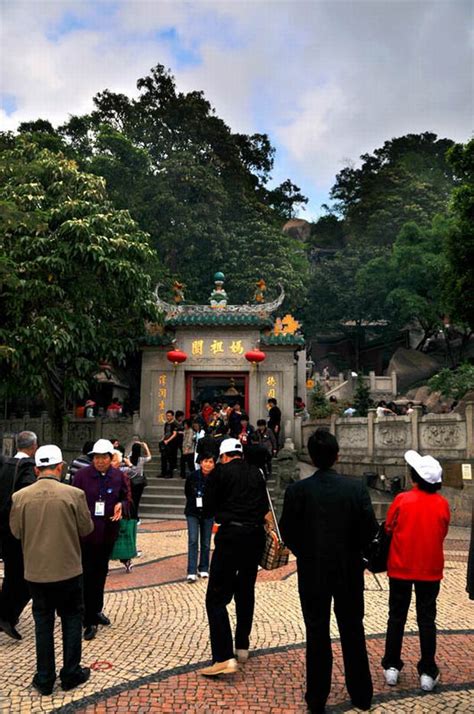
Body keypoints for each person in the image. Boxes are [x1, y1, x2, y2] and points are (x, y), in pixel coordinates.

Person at [279, 428, 378, 713]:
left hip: (312, 571)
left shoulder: (298, 491)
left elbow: (288, 532)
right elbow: (369, 530)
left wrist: (306, 553)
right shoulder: (356, 488)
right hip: (348, 569)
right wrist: (356, 553)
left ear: (310, 456)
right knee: (352, 630)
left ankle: (317, 698)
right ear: (337, 456)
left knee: (317, 632)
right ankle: (362, 695)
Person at [9, 444, 93, 695]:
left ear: (36, 469)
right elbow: (86, 529)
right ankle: (71, 673)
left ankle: (45, 678)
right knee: (71, 619)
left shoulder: (20, 497)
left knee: (43, 623)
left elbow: (16, 532)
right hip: (68, 570)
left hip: (36, 572)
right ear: (60, 467)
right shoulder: (74, 494)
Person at [382, 450, 450, 692]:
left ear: (414, 478)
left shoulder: (402, 500)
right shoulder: (442, 504)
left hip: (400, 567)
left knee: (396, 617)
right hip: (430, 570)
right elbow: (442, 532)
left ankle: (392, 666)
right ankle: (427, 671)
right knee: (427, 619)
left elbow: (389, 527)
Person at [199, 438, 268, 677]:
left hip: (231, 537)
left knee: (216, 598)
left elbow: (208, 510)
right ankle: (242, 646)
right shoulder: (257, 473)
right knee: (245, 589)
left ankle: (223, 656)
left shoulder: (220, 474)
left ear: (224, 456)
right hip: (255, 537)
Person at [72, 439, 131, 640]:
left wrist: (121, 505)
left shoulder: (118, 476)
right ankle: (87, 619)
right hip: (86, 535)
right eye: (96, 458)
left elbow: (127, 498)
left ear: (110, 457)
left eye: (103, 457)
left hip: (107, 534)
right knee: (87, 575)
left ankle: (96, 609)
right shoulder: (81, 476)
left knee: (100, 573)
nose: (99, 461)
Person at [0, 430, 38, 640]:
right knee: (24, 579)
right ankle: (6, 616)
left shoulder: (5, 465)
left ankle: (6, 615)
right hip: (19, 531)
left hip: (3, 530)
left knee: (12, 574)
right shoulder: (28, 469)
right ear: (34, 447)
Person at [184, 451, 216, 582]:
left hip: (208, 512)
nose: (208, 464)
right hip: (192, 511)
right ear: (201, 463)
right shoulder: (192, 476)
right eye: (205, 461)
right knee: (193, 540)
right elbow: (187, 492)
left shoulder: (216, 478)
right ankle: (191, 570)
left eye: (211, 462)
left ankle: (204, 567)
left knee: (206, 542)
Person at [127, 440, 152, 520]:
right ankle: (135, 517)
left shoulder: (128, 458)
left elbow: (131, 453)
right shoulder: (141, 459)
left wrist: (134, 444)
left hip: (130, 481)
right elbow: (149, 457)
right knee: (137, 500)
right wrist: (145, 446)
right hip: (139, 482)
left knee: (131, 499)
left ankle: (130, 515)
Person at [160, 409, 178, 478]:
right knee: (163, 458)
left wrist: (168, 440)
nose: (168, 417)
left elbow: (174, 434)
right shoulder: (166, 424)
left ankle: (170, 474)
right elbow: (165, 433)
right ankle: (163, 472)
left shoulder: (174, 424)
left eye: (169, 416)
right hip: (165, 442)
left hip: (172, 443)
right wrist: (163, 439)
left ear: (172, 416)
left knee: (170, 459)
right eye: (167, 416)